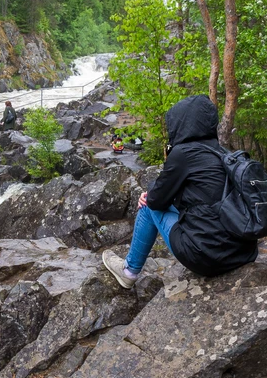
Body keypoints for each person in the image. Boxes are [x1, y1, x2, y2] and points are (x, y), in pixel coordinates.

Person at [102, 95, 258, 288]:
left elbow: (157, 201)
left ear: (180, 124)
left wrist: (149, 195)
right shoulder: (224, 154)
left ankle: (129, 271)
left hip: (207, 257)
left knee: (147, 206)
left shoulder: (183, 154)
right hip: (244, 253)